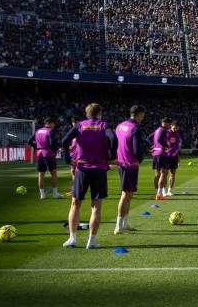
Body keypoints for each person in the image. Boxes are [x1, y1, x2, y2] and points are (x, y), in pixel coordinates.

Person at [61, 103, 117, 249]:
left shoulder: (80, 125)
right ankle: (91, 241)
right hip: (99, 168)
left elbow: (64, 140)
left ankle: (72, 239)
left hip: (82, 168)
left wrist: (67, 159)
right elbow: (113, 139)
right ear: (100, 113)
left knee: (75, 204)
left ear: (87, 113)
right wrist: (112, 155)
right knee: (96, 207)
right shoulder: (104, 125)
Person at [114, 105, 146, 235]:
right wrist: (140, 158)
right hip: (130, 164)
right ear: (139, 114)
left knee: (129, 194)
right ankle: (118, 226)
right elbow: (137, 149)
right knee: (125, 195)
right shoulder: (136, 128)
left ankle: (124, 223)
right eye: (143, 114)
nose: (143, 117)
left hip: (121, 162)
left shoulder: (120, 125)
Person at [27, 117, 62, 199]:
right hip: (49, 154)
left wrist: (38, 147)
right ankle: (55, 193)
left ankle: (42, 194)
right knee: (53, 173)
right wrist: (57, 149)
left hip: (40, 154)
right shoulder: (51, 131)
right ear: (50, 123)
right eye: (54, 123)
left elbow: (29, 141)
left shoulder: (38, 131)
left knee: (41, 174)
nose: (54, 125)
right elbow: (52, 143)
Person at [149, 117, 172, 201]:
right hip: (161, 154)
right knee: (164, 173)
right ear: (166, 123)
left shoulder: (157, 130)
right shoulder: (163, 130)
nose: (170, 126)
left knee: (157, 174)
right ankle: (159, 194)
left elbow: (148, 138)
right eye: (169, 124)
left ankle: (157, 193)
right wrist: (166, 146)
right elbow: (159, 139)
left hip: (155, 153)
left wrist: (153, 146)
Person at [164, 123, 182, 197]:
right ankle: (163, 190)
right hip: (167, 156)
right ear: (171, 126)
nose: (175, 129)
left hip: (174, 157)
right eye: (174, 128)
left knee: (173, 174)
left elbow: (178, 146)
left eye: (176, 128)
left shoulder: (177, 135)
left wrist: (178, 157)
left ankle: (169, 190)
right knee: (164, 174)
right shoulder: (166, 133)